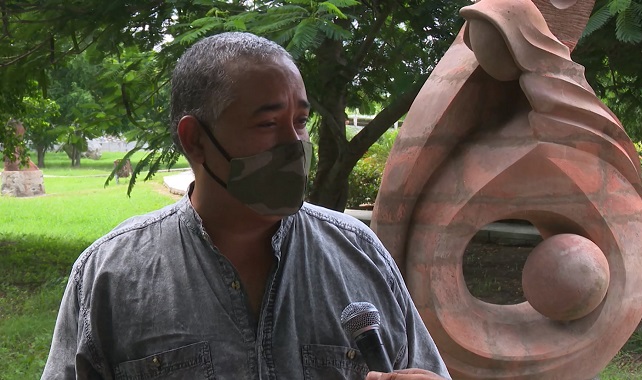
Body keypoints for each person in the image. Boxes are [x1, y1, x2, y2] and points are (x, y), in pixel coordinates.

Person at [42, 32, 450, 380]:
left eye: (301, 121)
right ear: (195, 140)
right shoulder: (110, 275)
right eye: (268, 124)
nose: (295, 145)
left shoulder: (360, 254)